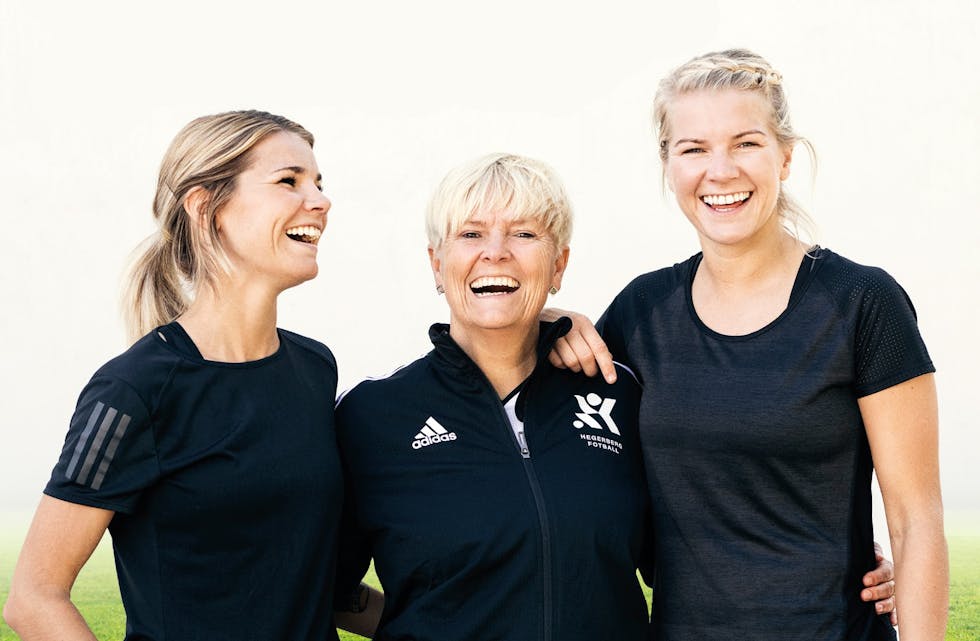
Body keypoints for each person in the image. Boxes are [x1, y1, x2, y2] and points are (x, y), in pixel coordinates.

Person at [331, 152, 897, 640]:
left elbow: (699, 542)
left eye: (525, 233)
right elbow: (318, 587)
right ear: (436, 262)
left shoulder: (618, 393)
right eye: (470, 233)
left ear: (559, 265)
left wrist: (841, 566)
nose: (496, 252)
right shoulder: (373, 417)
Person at [547, 49, 947, 641]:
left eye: (746, 143)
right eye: (694, 149)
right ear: (668, 164)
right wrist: (546, 321)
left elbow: (916, 521)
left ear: (784, 156)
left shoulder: (863, 302)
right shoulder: (640, 312)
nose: (721, 170)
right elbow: (538, 421)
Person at [3, 110, 372, 640]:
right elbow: (34, 598)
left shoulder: (315, 368)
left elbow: (309, 586)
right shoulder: (133, 391)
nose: (319, 200)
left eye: (318, 182)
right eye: (289, 181)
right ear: (207, 207)